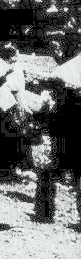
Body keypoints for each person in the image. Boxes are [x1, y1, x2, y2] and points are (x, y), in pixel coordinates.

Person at [34, 75, 81, 223]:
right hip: (69, 149)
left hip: (64, 149)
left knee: (46, 175)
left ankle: (44, 214)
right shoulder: (72, 100)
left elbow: (50, 125)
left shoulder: (60, 105)